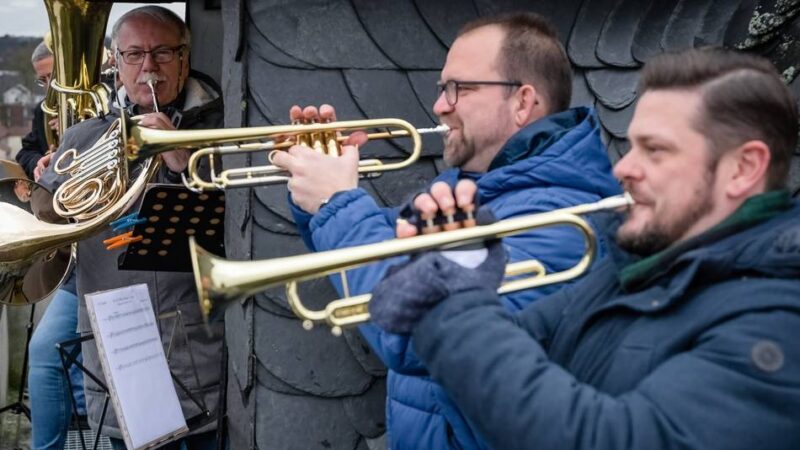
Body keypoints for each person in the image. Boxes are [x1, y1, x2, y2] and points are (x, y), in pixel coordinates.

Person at [369, 47, 800, 450]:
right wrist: (453, 257)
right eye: (632, 146)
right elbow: (496, 362)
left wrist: (452, 291)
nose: (625, 168)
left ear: (743, 169)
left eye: (655, 150)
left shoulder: (777, 321)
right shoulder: (635, 270)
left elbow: (602, 438)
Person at [273, 12, 621, 449]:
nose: (440, 105)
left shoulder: (562, 219)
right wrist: (319, 187)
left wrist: (336, 202)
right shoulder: (469, 182)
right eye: (442, 88)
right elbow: (379, 251)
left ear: (523, 102)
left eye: (460, 88)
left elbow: (409, 329)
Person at [37, 6, 224, 450]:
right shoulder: (84, 134)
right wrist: (54, 178)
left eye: (161, 53)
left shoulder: (221, 128)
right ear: (116, 63)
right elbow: (49, 212)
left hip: (196, 337)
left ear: (184, 57)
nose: (148, 68)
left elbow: (238, 217)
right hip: (118, 336)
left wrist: (181, 158)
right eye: (134, 54)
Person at [21, 40, 88, 450]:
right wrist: (43, 164)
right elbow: (28, 149)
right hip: (79, 247)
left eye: (53, 79)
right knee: (46, 353)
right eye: (42, 80)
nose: (48, 90)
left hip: (114, 240)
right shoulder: (45, 110)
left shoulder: (106, 102)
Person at [16, 41, 56, 181]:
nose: (49, 85)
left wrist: (75, 130)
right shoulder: (43, 109)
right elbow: (26, 152)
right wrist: (39, 164)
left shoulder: (98, 104)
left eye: (52, 76)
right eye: (42, 80)